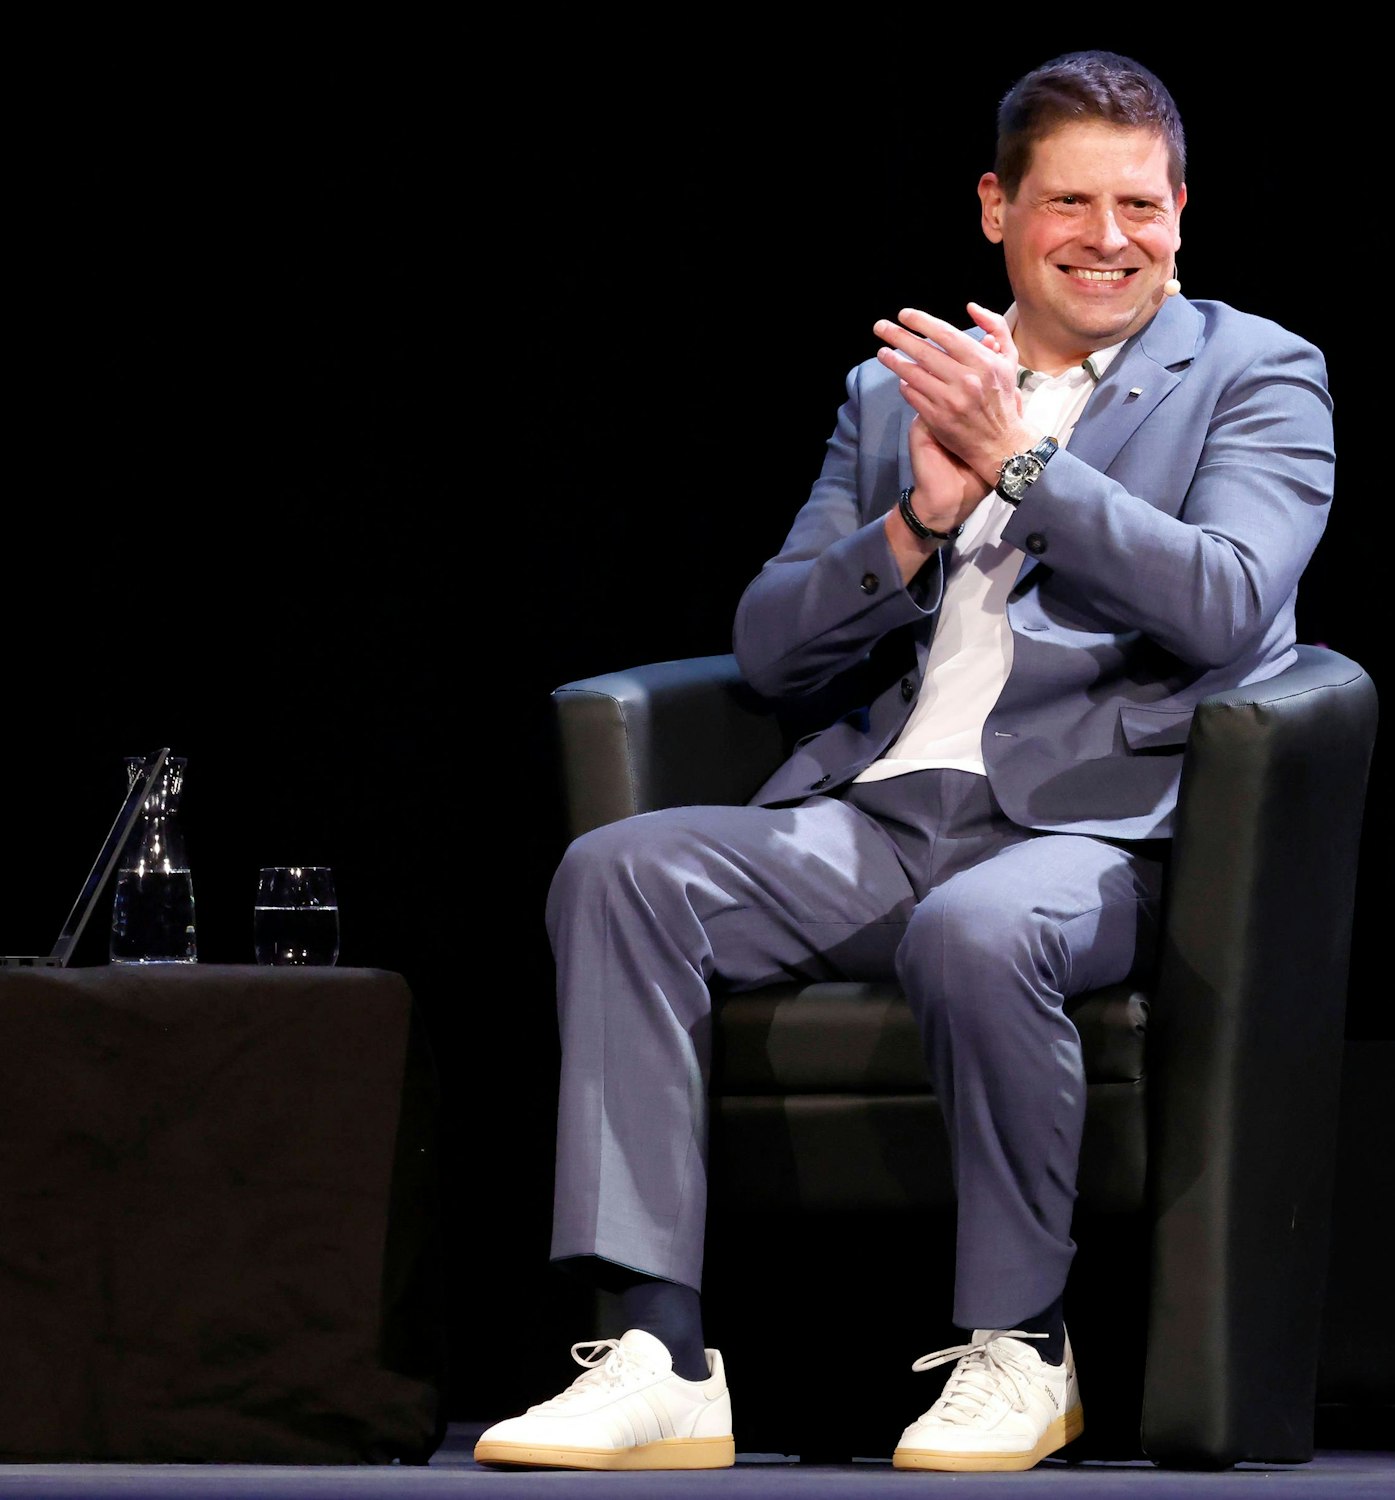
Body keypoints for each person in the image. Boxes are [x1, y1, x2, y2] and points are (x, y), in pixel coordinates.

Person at [474, 48, 1334, 1474]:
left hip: (1099, 835)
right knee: (620, 872)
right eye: (1070, 202)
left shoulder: (1255, 371)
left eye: (1141, 205)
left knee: (980, 928)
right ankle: (655, 1354)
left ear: (1182, 209)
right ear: (999, 208)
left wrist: (1023, 469)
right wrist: (916, 526)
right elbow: (766, 650)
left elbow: (1230, 598)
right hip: (877, 815)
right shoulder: (897, 396)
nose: (1109, 238)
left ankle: (1020, 1349)